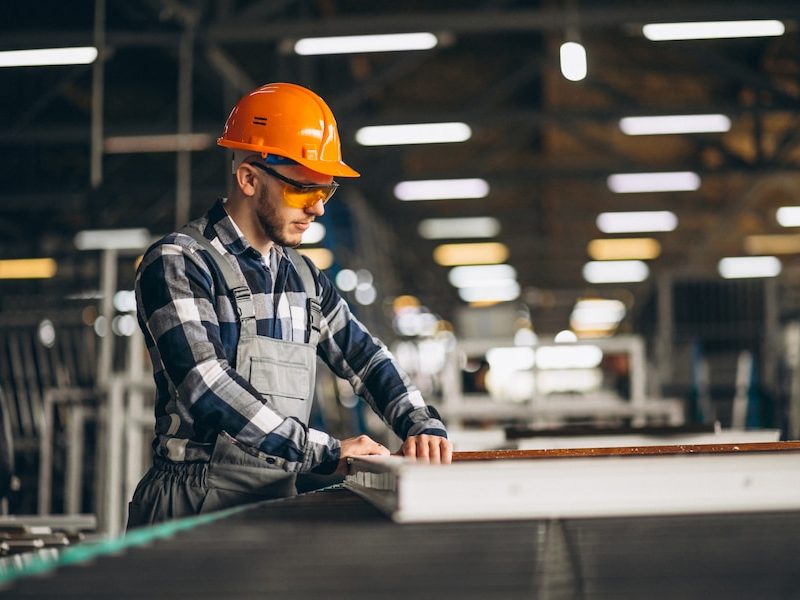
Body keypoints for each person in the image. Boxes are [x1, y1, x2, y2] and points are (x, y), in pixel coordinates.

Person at [127, 82, 452, 528]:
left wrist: (420, 424)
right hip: (190, 504)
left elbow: (366, 356)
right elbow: (205, 385)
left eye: (325, 191)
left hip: (275, 498)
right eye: (303, 191)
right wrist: (325, 452)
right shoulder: (180, 262)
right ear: (248, 178)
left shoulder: (304, 279)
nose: (317, 209)